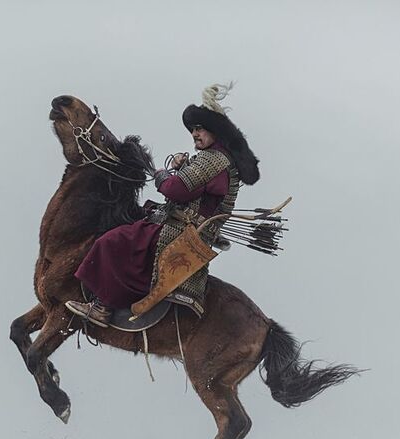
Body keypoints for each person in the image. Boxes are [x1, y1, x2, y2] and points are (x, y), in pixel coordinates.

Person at [65, 83, 260, 327]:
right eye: (192, 130)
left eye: (200, 129)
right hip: (181, 226)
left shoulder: (213, 160)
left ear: (215, 131)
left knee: (112, 241)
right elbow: (195, 190)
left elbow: (176, 190)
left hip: (178, 232)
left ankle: (102, 308)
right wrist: (181, 169)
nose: (194, 134)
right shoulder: (217, 160)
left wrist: (162, 176)